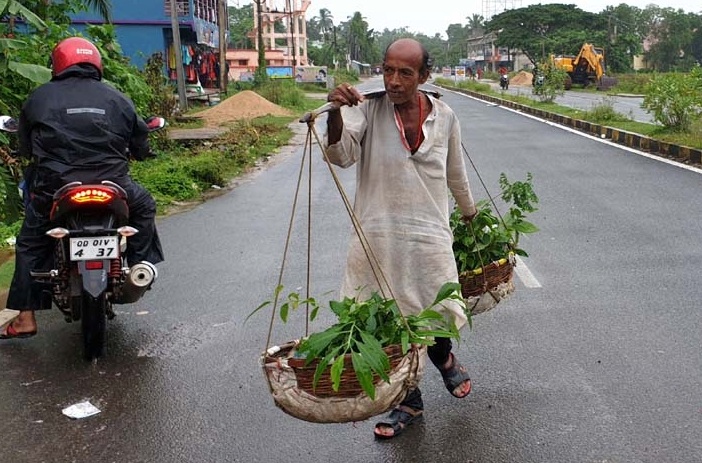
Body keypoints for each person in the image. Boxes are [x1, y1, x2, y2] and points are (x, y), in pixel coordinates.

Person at [324, 38, 477, 439]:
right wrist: (336, 114)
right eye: (388, 70)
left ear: (424, 77)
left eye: (404, 73)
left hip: (429, 232)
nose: (393, 80)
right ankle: (407, 400)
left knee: (437, 307)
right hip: (378, 234)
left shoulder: (444, 116)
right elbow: (341, 155)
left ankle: (443, 358)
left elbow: (455, 172)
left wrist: (470, 214)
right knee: (387, 321)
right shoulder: (367, 109)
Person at [1, 37, 164, 339]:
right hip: (113, 184)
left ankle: (25, 319)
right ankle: (141, 266)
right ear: (96, 63)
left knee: (32, 241)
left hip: (56, 187)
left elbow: (25, 147)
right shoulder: (117, 98)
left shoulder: (40, 97)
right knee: (144, 206)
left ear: (58, 63)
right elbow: (140, 143)